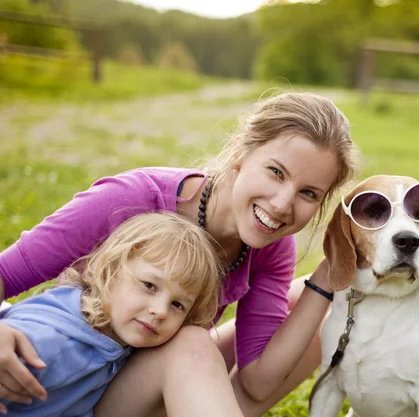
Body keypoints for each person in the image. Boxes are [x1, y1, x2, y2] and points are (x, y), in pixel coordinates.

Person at [0, 92, 362, 416]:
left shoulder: (273, 246)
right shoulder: (133, 197)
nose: (283, 205)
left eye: (309, 194)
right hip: (75, 372)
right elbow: (6, 273)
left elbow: (257, 382)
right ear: (240, 152)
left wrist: (328, 272)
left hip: (135, 381)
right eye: (275, 172)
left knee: (312, 307)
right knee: (192, 341)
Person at [0, 212, 224, 416]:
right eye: (149, 285)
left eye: (177, 304)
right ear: (110, 271)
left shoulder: (113, 335)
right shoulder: (57, 344)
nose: (160, 311)